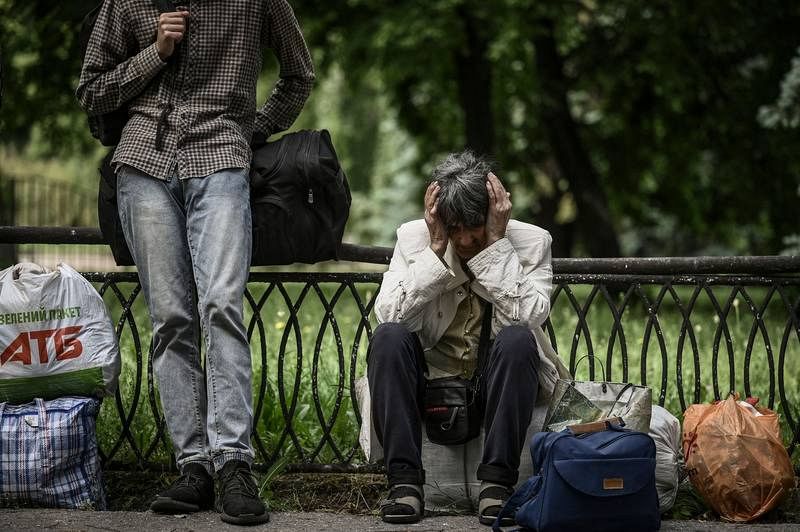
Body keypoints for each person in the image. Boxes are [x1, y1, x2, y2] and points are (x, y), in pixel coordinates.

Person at [76, 1, 314, 525]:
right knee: (171, 320)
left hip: (222, 159)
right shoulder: (129, 3)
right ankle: (193, 468)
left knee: (223, 307)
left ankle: (233, 465)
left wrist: (250, 131)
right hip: (142, 165)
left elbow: (299, 74)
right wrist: (155, 53)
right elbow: (90, 91)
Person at [369, 150, 569, 525]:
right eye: (453, 226)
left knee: (517, 339)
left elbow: (531, 316)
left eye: (472, 226)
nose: (462, 239)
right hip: (430, 377)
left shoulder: (533, 242)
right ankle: (404, 485)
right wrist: (434, 251)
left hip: (497, 377)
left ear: (495, 212)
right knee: (388, 337)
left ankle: (496, 487)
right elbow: (388, 315)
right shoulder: (413, 238)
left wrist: (494, 246)